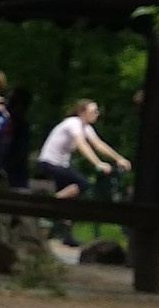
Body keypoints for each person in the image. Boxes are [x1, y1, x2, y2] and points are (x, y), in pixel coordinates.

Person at [34, 99, 131, 246]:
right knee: (83, 183)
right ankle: (44, 207)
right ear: (81, 112)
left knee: (68, 200)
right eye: (93, 111)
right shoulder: (73, 123)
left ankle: (64, 234)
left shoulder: (86, 127)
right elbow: (81, 144)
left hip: (61, 164)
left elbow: (98, 144)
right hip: (50, 162)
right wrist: (98, 163)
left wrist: (119, 159)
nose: (96, 114)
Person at [5, 86, 34, 190]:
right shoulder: (5, 121)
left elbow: (19, 152)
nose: (7, 103)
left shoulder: (22, 127)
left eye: (12, 101)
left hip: (16, 176)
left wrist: (6, 166)